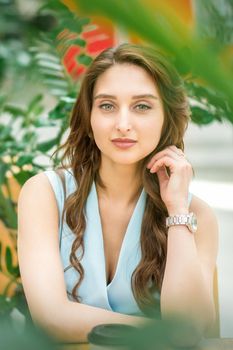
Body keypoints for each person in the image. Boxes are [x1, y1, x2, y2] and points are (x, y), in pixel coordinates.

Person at [17, 43, 218, 344]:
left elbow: (193, 328)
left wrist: (176, 209)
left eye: (142, 106)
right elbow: (52, 319)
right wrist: (161, 331)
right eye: (107, 106)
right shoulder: (44, 194)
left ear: (167, 119)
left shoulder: (195, 215)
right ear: (89, 119)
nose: (123, 125)